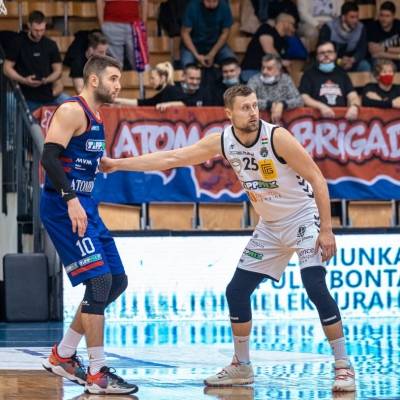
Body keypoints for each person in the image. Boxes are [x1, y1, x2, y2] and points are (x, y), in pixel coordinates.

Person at [100, 85, 356, 393]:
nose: (253, 112)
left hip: (302, 218)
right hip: (270, 227)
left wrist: (326, 229)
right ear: (229, 113)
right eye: (245, 108)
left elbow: (317, 178)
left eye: (254, 105)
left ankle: (343, 366)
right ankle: (242, 365)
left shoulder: (277, 137)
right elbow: (173, 157)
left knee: (314, 285)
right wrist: (118, 164)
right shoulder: (223, 141)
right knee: (236, 292)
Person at [40, 55, 138, 395]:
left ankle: (64, 354)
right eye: (113, 78)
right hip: (63, 206)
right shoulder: (72, 110)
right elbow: (49, 157)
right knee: (98, 281)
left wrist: (103, 162)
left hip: (85, 205)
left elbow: (77, 159)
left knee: (116, 281)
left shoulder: (97, 116)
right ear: (94, 80)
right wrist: (70, 199)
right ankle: (97, 373)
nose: (118, 85)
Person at [3, 10, 64, 111]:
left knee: (74, 106)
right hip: (26, 95)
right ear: (29, 26)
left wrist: (46, 80)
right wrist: (23, 80)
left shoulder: (50, 44)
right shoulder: (18, 43)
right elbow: (6, 68)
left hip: (48, 93)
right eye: (36, 30)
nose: (39, 33)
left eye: (42, 30)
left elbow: (58, 70)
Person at [299, 41, 360, 120]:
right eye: (322, 53)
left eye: (329, 52)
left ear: (335, 55)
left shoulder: (342, 74)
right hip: (316, 121)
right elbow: (303, 97)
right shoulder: (308, 74)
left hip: (341, 120)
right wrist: (321, 107)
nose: (326, 55)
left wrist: (354, 107)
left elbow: (353, 95)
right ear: (317, 56)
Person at [247, 53, 303, 123]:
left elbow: (299, 101)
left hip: (283, 124)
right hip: (259, 122)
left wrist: (283, 104)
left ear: (278, 70)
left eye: (269, 68)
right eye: (263, 68)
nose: (264, 71)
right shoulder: (254, 80)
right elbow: (248, 100)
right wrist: (269, 104)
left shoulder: (285, 79)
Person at [241, 13, 296, 82]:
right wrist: (281, 62)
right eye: (293, 25)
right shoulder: (266, 28)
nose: (294, 29)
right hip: (253, 70)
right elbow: (268, 49)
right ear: (285, 23)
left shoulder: (284, 42)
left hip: (269, 75)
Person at [180, 0, 235, 68]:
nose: (211, 4)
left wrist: (212, 54)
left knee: (232, 64)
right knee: (187, 67)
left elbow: (225, 33)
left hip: (216, 45)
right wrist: (196, 55)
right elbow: (185, 33)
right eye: (208, 1)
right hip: (193, 46)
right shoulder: (192, 6)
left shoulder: (224, 6)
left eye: (214, 1)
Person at [318, 2, 370, 72]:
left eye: (357, 17)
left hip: (351, 61)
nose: (355, 20)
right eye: (352, 17)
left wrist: (352, 60)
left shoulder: (361, 28)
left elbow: (362, 49)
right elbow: (323, 51)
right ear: (343, 17)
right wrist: (339, 61)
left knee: (365, 65)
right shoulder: (328, 28)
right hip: (333, 61)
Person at [96, 0, 148, 70]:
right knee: (115, 66)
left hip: (134, 25)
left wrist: (143, 23)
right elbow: (99, 1)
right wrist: (102, 25)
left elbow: (144, 1)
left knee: (140, 65)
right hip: (112, 25)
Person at [367, 1, 400, 70]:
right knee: (384, 67)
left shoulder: (398, 25)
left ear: (393, 16)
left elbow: (378, 53)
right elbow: (373, 52)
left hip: (394, 59)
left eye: (387, 16)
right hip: (380, 60)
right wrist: (397, 55)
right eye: (381, 15)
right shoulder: (373, 26)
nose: (384, 19)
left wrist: (384, 49)